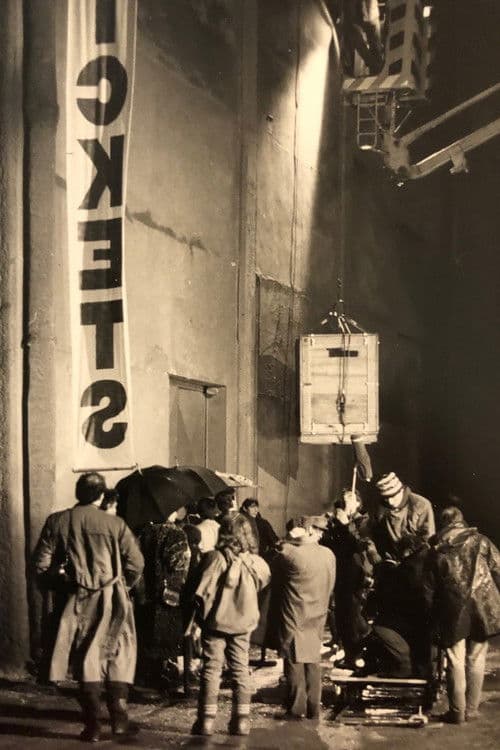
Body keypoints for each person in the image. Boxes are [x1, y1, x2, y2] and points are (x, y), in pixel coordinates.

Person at [32, 473, 144, 742]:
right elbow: (136, 563)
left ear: (77, 492)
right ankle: (119, 717)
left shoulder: (57, 521)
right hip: (114, 598)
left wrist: (61, 583)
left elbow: (41, 564)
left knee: (85, 656)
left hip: (77, 599)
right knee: (119, 652)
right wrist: (123, 585)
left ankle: (92, 725)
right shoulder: (115, 524)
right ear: (102, 495)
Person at [190, 517, 271, 737]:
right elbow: (264, 583)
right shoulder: (255, 562)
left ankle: (205, 722)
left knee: (211, 669)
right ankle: (241, 722)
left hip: (215, 623)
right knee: (241, 669)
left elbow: (201, 591)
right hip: (243, 624)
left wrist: (199, 619)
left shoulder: (214, 558)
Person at [426, 505, 500, 724]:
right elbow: (498, 568)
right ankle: (472, 710)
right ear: (462, 521)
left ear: (443, 523)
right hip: (482, 607)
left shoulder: (436, 549)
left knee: (455, 660)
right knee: (476, 658)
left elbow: (429, 586)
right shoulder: (481, 541)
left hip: (452, 609)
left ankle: (457, 712)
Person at [268, 516, 335, 721]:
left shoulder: (290, 554)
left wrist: (289, 538)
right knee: (312, 661)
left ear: (306, 530)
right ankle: (314, 708)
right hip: (318, 613)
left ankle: (296, 709)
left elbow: (272, 561)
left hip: (295, 614)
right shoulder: (329, 554)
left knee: (294, 662)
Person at [135, 513, 191, 694]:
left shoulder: (145, 532)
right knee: (167, 636)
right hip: (169, 592)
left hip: (146, 592)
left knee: (147, 634)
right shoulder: (176, 533)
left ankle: (147, 675)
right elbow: (177, 563)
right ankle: (163, 674)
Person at [322, 489, 379, 667]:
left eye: (350, 499)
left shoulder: (365, 522)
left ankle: (358, 654)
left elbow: (360, 545)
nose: (346, 503)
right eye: (344, 499)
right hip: (341, 573)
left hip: (356, 574)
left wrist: (346, 525)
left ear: (358, 503)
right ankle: (350, 654)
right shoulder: (338, 520)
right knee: (343, 616)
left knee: (352, 616)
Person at [372, 472, 435, 560]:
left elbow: (428, 538)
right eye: (386, 498)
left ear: (401, 490)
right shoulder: (381, 509)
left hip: (417, 558)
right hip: (391, 559)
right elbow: (377, 536)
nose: (390, 502)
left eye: (393, 496)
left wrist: (410, 553)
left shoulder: (421, 505)